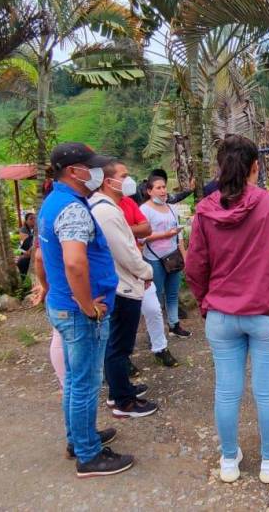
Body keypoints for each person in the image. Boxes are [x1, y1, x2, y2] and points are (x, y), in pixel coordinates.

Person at [186, 135, 269, 484]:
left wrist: (205, 301)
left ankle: (229, 461)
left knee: (226, 390)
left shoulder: (205, 210)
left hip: (222, 316)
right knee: (267, 390)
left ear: (219, 169)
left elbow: (195, 267)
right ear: (256, 166)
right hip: (267, 313)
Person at [36, 142, 132, 477]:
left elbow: (40, 258)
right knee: (86, 382)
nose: (97, 172)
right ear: (74, 171)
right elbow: (75, 263)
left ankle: (79, 439)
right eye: (91, 166)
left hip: (62, 305)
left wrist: (50, 290)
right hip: (79, 313)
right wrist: (87, 306)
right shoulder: (74, 209)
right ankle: (89, 456)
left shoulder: (54, 203)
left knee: (76, 382)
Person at [89, 161, 159, 418]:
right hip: (123, 286)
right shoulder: (106, 211)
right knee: (119, 346)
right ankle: (123, 401)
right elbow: (125, 251)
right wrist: (146, 272)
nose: (129, 180)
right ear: (108, 181)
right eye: (124, 175)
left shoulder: (107, 207)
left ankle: (119, 389)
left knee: (117, 344)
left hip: (121, 281)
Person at [118, 194, 179, 367]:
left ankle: (160, 348)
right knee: (122, 316)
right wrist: (134, 229)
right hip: (117, 269)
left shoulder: (128, 202)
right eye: (122, 176)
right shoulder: (98, 205)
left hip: (139, 265)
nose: (125, 181)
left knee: (153, 309)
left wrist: (124, 229)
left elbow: (146, 229)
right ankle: (121, 358)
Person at [141, 176, 191, 338]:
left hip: (172, 256)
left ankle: (174, 324)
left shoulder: (171, 208)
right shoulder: (144, 210)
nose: (163, 191)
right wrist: (164, 235)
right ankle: (154, 333)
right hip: (154, 258)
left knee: (172, 293)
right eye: (158, 188)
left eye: (164, 187)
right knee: (155, 297)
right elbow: (141, 237)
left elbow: (179, 235)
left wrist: (184, 254)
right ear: (149, 191)